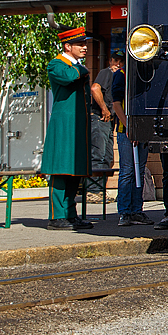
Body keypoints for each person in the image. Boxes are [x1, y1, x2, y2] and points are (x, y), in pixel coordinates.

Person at [42, 27, 95, 230]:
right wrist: (81, 70)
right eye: (80, 44)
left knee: (74, 171)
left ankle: (70, 214)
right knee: (60, 170)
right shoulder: (56, 64)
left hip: (77, 125)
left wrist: (81, 70)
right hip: (64, 124)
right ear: (67, 46)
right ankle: (56, 216)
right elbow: (69, 77)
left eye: (85, 44)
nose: (84, 47)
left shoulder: (75, 65)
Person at [111, 55, 149, 226]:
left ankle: (137, 210)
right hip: (126, 130)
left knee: (139, 172)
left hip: (144, 129)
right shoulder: (122, 74)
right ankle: (125, 211)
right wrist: (129, 128)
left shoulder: (147, 73)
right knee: (127, 171)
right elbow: (116, 104)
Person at [86, 53, 120, 200]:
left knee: (107, 157)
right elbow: (94, 89)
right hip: (99, 118)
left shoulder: (119, 76)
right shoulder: (106, 72)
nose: (118, 64)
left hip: (108, 121)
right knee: (98, 155)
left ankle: (100, 191)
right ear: (110, 60)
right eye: (116, 60)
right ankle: (92, 192)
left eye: (121, 61)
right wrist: (104, 109)